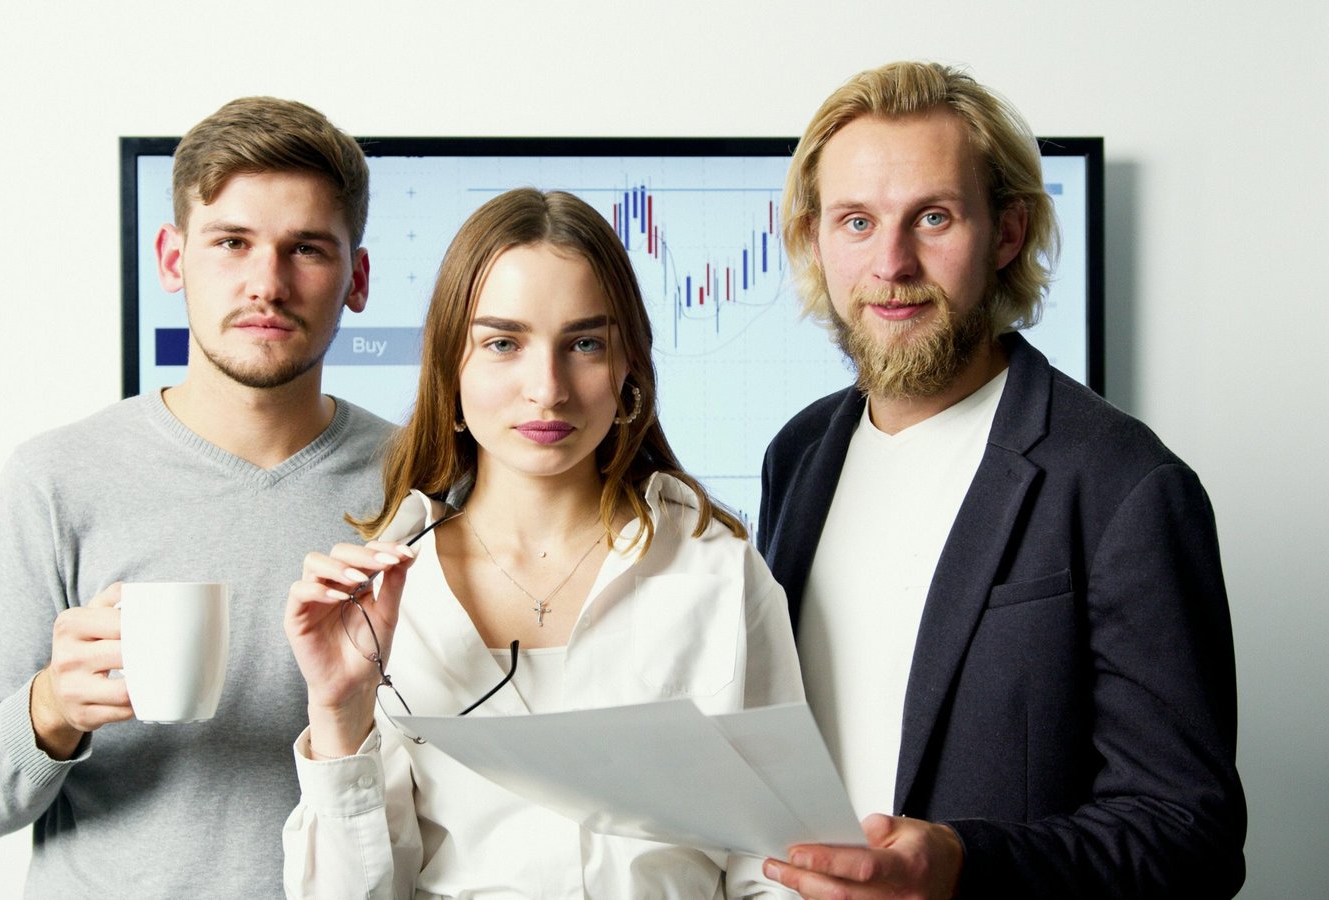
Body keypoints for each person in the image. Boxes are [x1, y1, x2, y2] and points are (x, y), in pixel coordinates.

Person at [756, 61, 1246, 898]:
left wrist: (962, 865)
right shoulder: (798, 455)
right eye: (856, 222)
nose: (892, 263)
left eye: (934, 218)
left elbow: (1187, 835)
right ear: (814, 240)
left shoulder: (1126, 486)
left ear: (1008, 233)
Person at [0, 96, 391, 896]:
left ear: (358, 278)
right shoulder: (58, 478)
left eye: (306, 249)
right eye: (231, 243)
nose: (266, 284)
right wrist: (50, 709)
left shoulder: (423, 480)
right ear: (173, 259)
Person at [280, 188, 804, 898]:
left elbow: (776, 867)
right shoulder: (389, 597)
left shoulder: (714, 570)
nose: (547, 389)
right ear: (450, 369)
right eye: (503, 343)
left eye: (584, 343)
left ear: (628, 370)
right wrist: (340, 715)